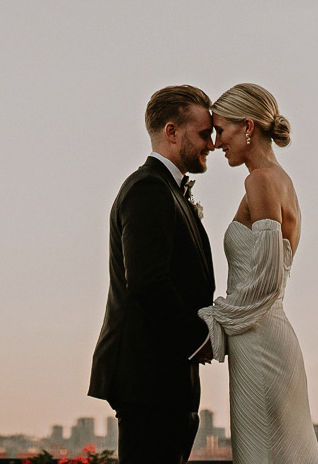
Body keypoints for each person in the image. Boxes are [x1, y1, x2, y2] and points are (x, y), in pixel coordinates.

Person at [89, 85, 218, 464]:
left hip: (167, 376)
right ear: (172, 131)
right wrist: (200, 339)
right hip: (148, 377)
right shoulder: (148, 189)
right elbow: (147, 282)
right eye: (203, 134)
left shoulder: (170, 191)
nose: (211, 144)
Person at [198, 83, 318, 464]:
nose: (217, 142)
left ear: (247, 126)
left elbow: (268, 281)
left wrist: (214, 322)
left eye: (221, 130)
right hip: (257, 338)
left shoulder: (262, 181)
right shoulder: (272, 179)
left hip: (261, 344)